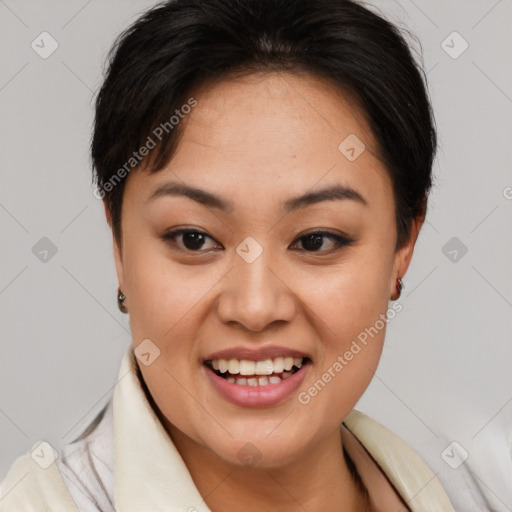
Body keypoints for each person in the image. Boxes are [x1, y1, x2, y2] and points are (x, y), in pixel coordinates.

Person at [0, 0, 499, 510]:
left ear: (402, 246)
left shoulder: (479, 490)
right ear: (120, 247)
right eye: (194, 238)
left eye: (316, 240)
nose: (255, 307)